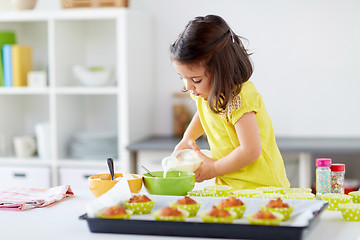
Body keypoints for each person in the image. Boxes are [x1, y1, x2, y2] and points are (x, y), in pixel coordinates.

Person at [170, 15, 290, 190]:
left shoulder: (240, 98)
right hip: (230, 186)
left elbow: (250, 150)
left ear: (220, 71)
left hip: (262, 188)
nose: (188, 86)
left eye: (195, 79)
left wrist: (214, 168)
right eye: (182, 77)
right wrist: (187, 139)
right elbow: (203, 113)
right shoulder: (204, 92)